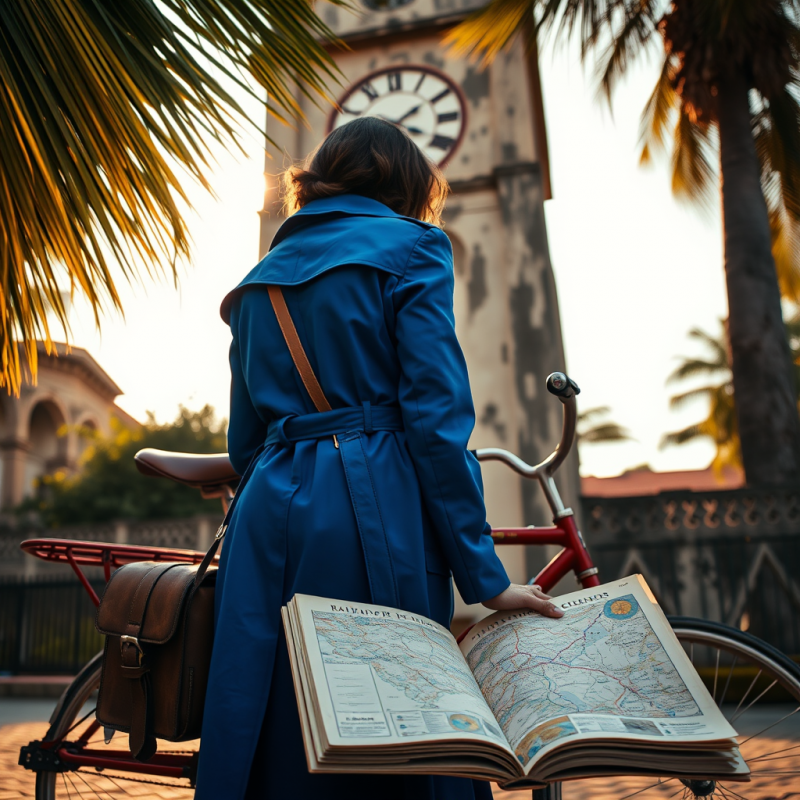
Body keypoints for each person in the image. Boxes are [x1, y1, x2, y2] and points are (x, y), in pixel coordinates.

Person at [194, 116, 563, 800]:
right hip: (370, 501)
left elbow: (246, 441)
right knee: (398, 721)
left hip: (268, 507)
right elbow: (435, 419)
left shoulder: (256, 283)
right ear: (406, 183)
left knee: (271, 706)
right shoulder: (414, 247)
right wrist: (486, 578)